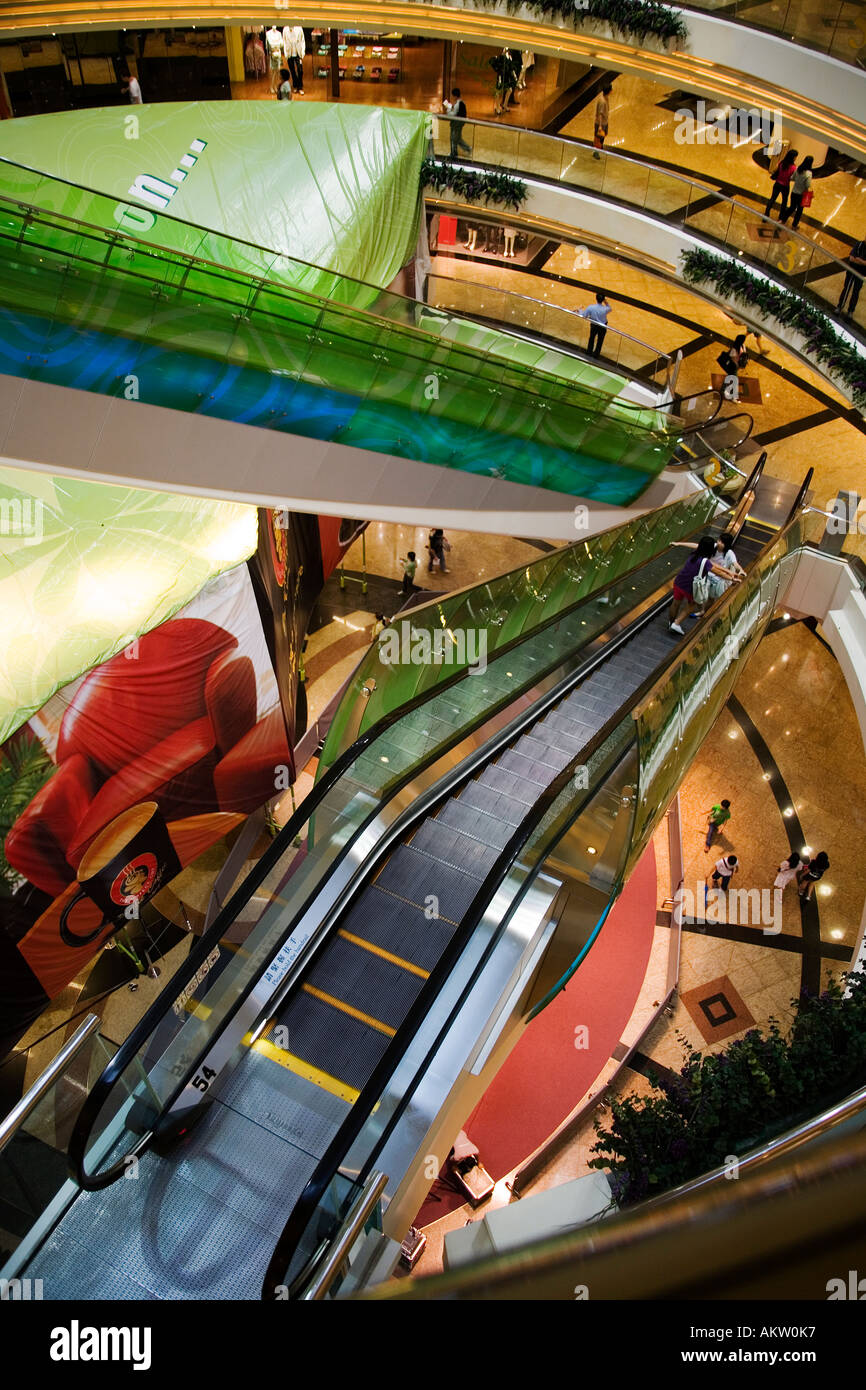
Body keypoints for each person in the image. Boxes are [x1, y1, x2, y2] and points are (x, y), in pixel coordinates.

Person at [669, 536, 741, 634]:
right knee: (692, 604)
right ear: (710, 548)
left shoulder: (694, 554)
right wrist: (732, 578)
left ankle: (671, 622)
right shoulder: (705, 562)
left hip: (679, 582)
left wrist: (678, 543)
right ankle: (676, 623)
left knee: (675, 603)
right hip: (690, 587)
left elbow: (713, 565)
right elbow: (717, 572)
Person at [764, 149, 798, 221]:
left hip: (777, 184)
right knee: (784, 202)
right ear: (793, 157)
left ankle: (766, 214)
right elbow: (793, 178)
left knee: (772, 199)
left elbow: (774, 170)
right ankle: (781, 217)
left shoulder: (781, 163)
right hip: (785, 186)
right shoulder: (793, 167)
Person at [782, 154, 813, 231]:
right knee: (799, 210)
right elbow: (807, 185)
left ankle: (783, 219)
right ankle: (794, 225)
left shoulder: (798, 169)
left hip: (794, 192)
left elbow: (792, 178)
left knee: (792, 207)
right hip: (801, 195)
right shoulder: (809, 174)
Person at [837, 237, 866, 319]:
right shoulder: (859, 244)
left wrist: (859, 260)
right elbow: (852, 258)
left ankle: (850, 311)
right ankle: (839, 306)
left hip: (861, 274)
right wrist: (862, 262)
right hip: (852, 270)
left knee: (856, 292)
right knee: (846, 288)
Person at [579, 291, 612, 358]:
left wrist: (579, 310)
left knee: (591, 338)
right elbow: (610, 308)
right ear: (603, 300)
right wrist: (605, 301)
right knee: (600, 341)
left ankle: (589, 351)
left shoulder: (591, 307)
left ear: (596, 298)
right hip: (603, 326)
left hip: (594, 325)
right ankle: (596, 354)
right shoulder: (605, 309)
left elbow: (584, 315)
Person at [444, 88, 470, 158]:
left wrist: (448, 109)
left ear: (455, 96)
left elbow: (452, 115)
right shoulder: (461, 103)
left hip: (456, 124)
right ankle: (466, 149)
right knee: (457, 138)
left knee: (453, 138)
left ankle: (454, 153)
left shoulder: (457, 104)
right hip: (459, 123)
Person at [282, 24, 305, 94]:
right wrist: (286, 53)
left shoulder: (299, 28)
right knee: (292, 70)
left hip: (298, 52)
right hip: (290, 53)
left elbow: (302, 40)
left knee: (300, 70)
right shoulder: (285, 29)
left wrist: (303, 52)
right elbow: (284, 41)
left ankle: (300, 86)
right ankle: (295, 86)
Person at [593, 85, 612, 158]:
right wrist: (600, 126)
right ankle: (596, 151)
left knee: (602, 136)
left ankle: (599, 148)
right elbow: (600, 114)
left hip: (605, 122)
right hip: (600, 123)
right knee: (598, 138)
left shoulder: (606, 99)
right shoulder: (602, 101)